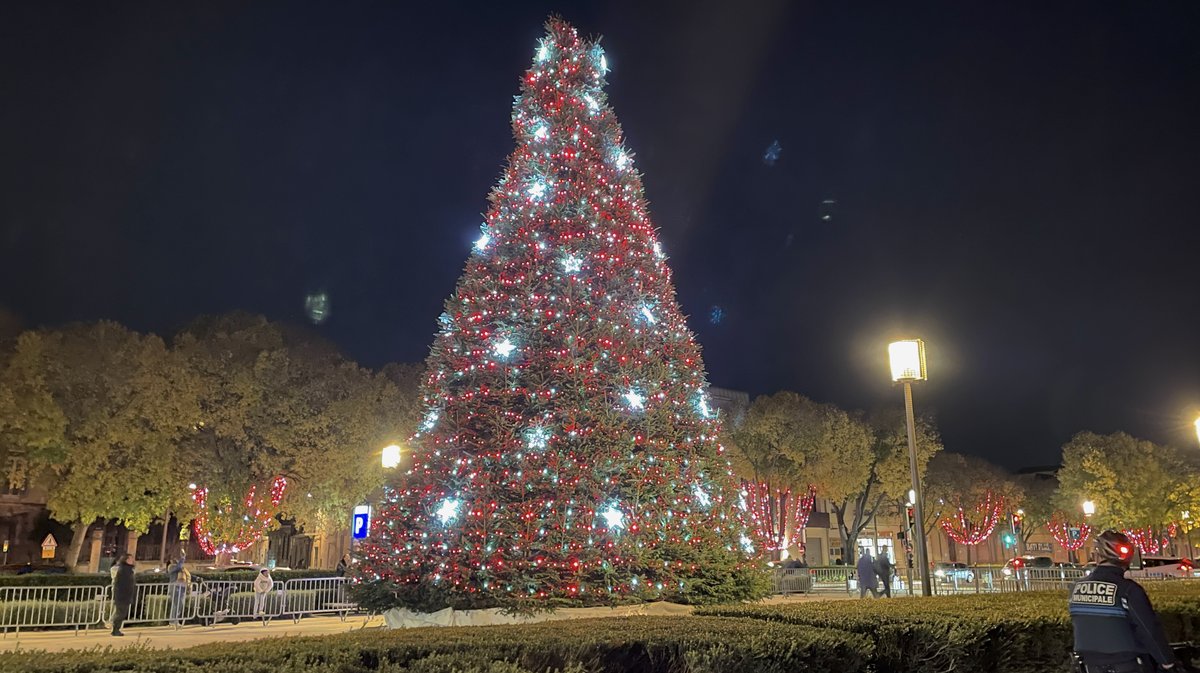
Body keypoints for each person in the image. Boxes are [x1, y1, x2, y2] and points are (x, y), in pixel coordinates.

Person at [1070, 530, 1178, 672]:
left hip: (1090, 665)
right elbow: (1148, 629)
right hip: (1127, 664)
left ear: (1098, 555)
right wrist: (1167, 661)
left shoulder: (1076, 588)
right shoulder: (1128, 590)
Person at [110, 553, 135, 636]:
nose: (132, 560)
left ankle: (116, 628)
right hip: (122, 594)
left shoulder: (128, 569)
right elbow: (121, 583)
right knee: (120, 612)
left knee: (122, 612)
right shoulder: (123, 569)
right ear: (126, 560)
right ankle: (115, 629)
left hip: (126, 594)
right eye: (131, 559)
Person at [166, 549, 190, 626]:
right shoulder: (170, 567)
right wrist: (182, 559)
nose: (176, 560)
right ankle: (173, 621)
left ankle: (174, 620)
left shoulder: (180, 567)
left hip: (182, 587)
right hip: (175, 587)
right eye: (174, 559)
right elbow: (178, 567)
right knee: (177, 604)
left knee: (180, 604)